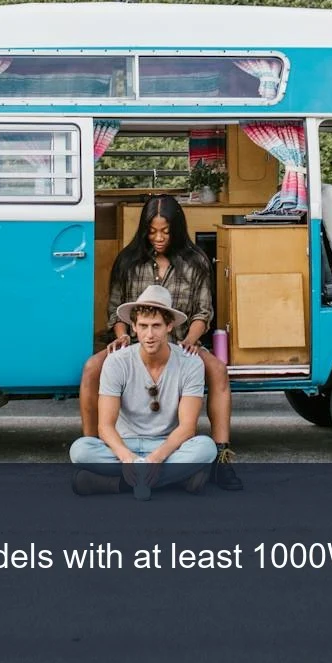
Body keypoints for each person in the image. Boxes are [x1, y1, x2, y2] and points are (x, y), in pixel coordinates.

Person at [80, 194, 242, 490]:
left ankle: (221, 458)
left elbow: (203, 312)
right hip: (134, 341)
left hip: (183, 343)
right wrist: (122, 338)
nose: (158, 238)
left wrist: (192, 340)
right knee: (92, 367)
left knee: (218, 371)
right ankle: (96, 442)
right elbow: (115, 309)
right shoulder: (128, 261)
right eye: (152, 231)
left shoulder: (196, 262)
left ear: (176, 229)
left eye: (165, 232)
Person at [70, 285, 218, 498]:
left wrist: (156, 459)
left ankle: (118, 484)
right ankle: (177, 480)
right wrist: (128, 459)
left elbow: (187, 428)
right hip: (124, 445)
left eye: (156, 326)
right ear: (134, 327)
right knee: (80, 450)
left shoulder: (190, 363)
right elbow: (104, 426)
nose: (149, 335)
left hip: (167, 447)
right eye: (144, 326)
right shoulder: (116, 362)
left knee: (206, 448)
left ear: (169, 326)